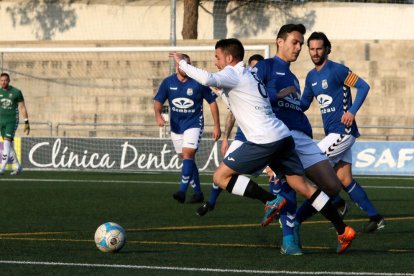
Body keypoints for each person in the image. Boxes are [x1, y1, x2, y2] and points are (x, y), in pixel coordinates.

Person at [170, 38, 356, 254]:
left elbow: (208, 78)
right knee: (303, 186)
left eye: (217, 57)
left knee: (220, 177)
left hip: (263, 141)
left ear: (229, 58)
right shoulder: (249, 75)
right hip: (283, 137)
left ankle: (271, 200)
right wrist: (220, 91)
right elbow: (236, 99)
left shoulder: (234, 73)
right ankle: (343, 230)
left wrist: (183, 64)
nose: (215, 61)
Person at [254, 23, 349, 255]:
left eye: (300, 43)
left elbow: (294, 105)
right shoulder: (265, 67)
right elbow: (253, 100)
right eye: (295, 42)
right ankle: (289, 240)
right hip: (281, 136)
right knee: (290, 185)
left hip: (303, 137)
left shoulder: (294, 77)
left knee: (332, 186)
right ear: (280, 42)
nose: (299, 48)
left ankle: (295, 221)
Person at [301, 31, 385, 233]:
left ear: (327, 49)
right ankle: (376, 217)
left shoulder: (338, 70)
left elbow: (363, 86)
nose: (315, 52)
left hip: (343, 131)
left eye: (319, 48)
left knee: (310, 164)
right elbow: (304, 103)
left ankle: (330, 207)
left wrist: (352, 111)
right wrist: (286, 103)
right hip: (333, 133)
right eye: (311, 49)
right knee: (345, 179)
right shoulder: (311, 76)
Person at [196, 54, 264, 216]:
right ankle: (211, 201)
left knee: (276, 174)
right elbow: (232, 112)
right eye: (252, 67)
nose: (255, 70)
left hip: (265, 137)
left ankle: (280, 209)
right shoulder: (242, 82)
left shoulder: (264, 87)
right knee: (223, 170)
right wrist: (226, 137)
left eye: (258, 67)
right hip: (242, 136)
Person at [153, 54, 221, 204]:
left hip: (194, 124)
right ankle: (197, 193)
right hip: (176, 126)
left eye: (187, 64)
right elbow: (158, 100)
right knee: (186, 158)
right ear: (177, 66)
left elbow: (212, 102)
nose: (185, 66)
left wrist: (217, 125)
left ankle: (182, 191)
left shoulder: (198, 82)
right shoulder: (168, 82)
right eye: (182, 64)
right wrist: (158, 115)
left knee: (188, 153)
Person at [0, 73, 30, 175]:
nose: (3, 82)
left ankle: (2, 168)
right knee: (9, 146)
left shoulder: (16, 92)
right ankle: (18, 167)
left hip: (12, 120)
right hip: (1, 121)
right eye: (1, 80)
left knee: (6, 143)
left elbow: (22, 107)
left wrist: (26, 121)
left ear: (9, 81)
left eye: (5, 80)